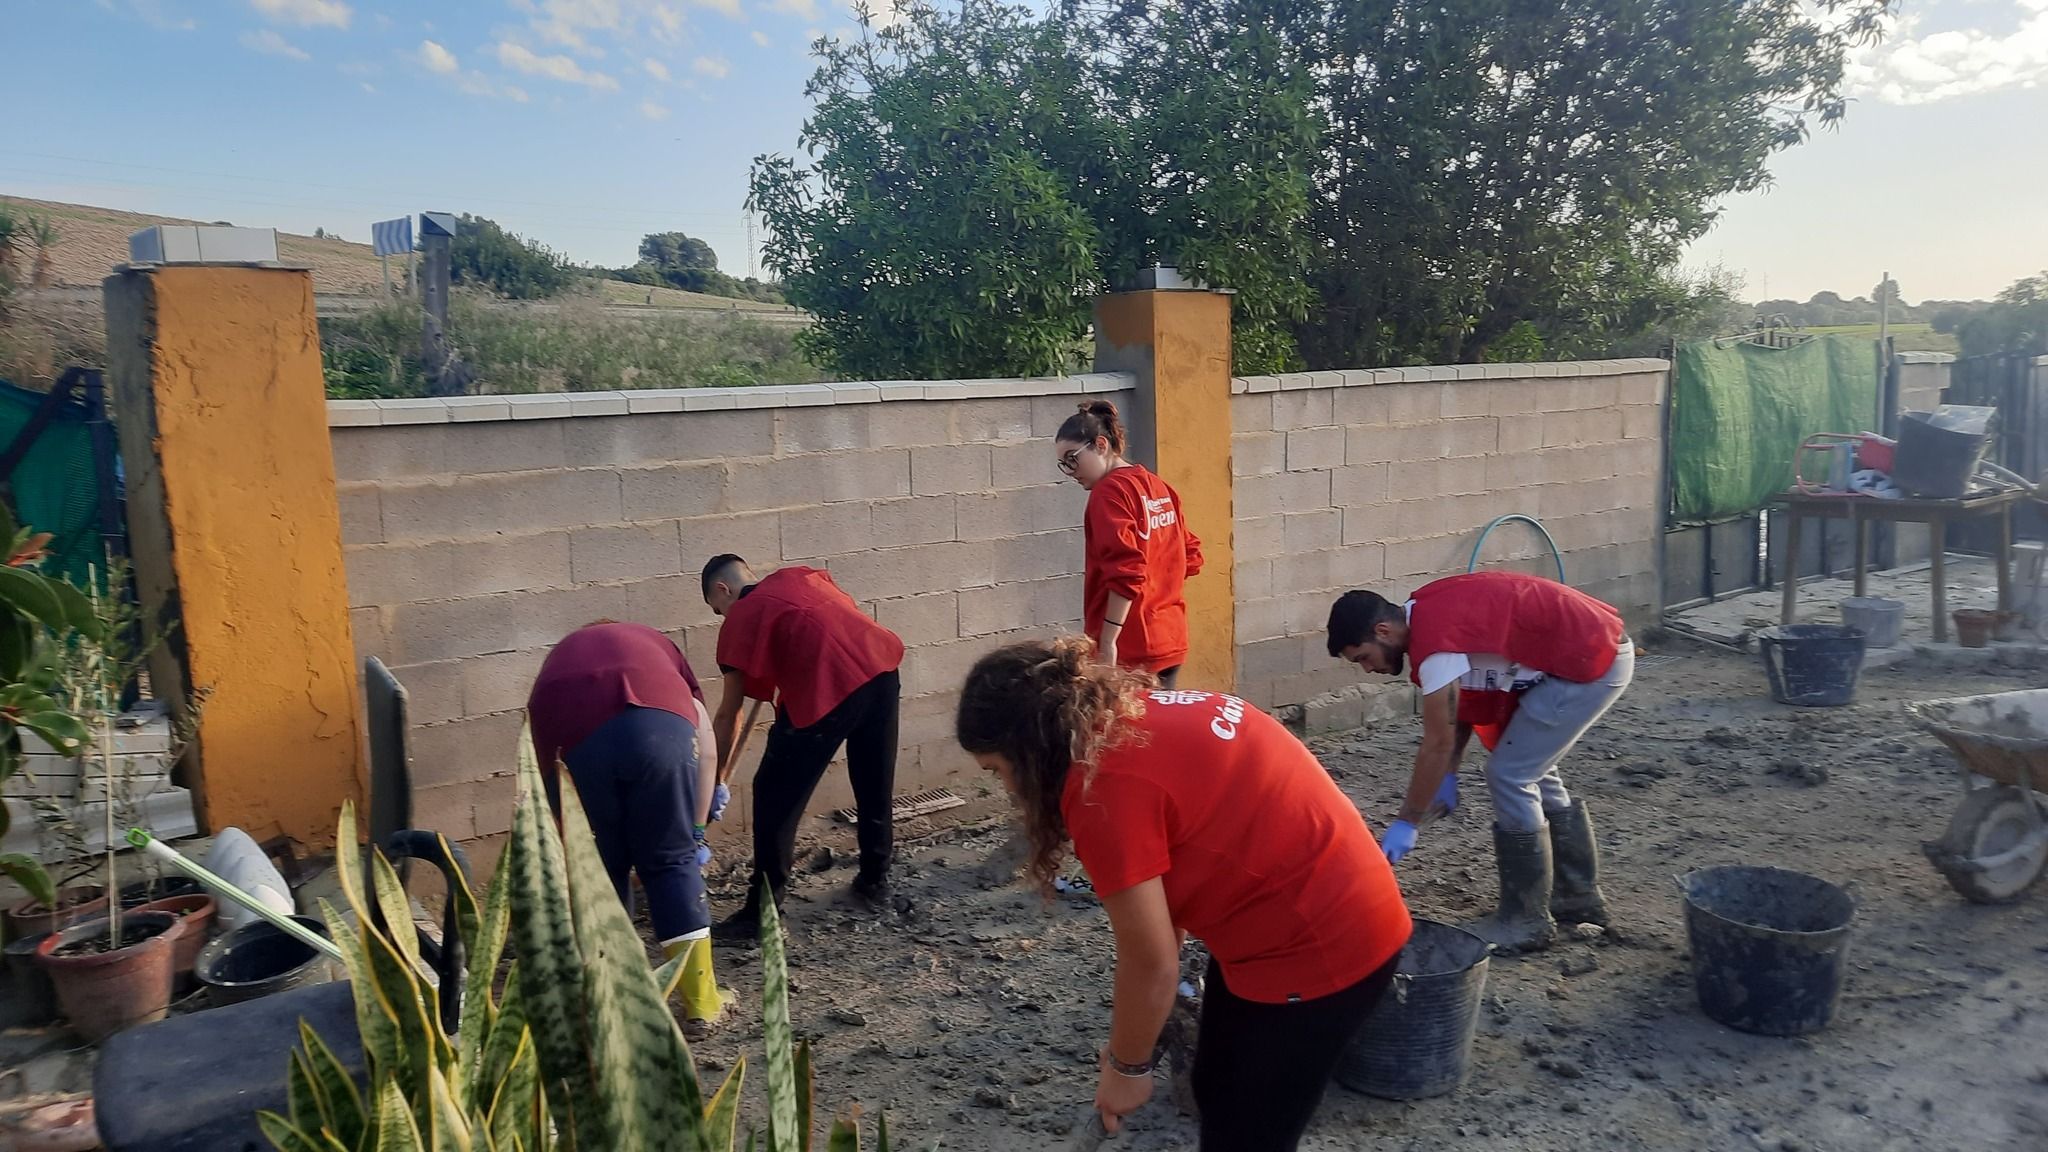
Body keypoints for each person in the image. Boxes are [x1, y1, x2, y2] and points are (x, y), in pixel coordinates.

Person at [956, 638, 1412, 1150]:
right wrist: (1134, 1045)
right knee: (1214, 1085)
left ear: (1029, 748)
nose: (1009, 790)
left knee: (1247, 1138)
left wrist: (1126, 1069)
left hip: (1321, 946)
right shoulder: (1130, 716)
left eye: (998, 771)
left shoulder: (1100, 789)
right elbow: (1163, 918)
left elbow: (1150, 964)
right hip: (1304, 915)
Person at [1325, 569, 1633, 952]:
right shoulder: (1427, 614)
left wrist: (1408, 821)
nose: (1369, 669)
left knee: (1510, 775)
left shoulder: (1434, 646)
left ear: (1383, 631)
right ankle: (1577, 896)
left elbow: (1437, 741)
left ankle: (1526, 922)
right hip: (1587, 650)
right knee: (1530, 768)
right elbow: (1464, 706)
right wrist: (1449, 774)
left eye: (1363, 658)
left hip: (1590, 660)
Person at [525, 620, 735, 1035]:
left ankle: (613, 1006)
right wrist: (694, 832)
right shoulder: (660, 649)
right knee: (671, 862)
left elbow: (543, 773)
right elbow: (707, 751)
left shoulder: (562, 658)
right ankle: (702, 1004)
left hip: (571, 738)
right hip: (660, 730)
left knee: (599, 869)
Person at [701, 553, 905, 939]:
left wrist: (714, 781)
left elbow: (729, 714)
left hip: (830, 688)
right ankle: (874, 881)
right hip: (880, 671)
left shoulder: (741, 617)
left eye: (717, 609)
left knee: (772, 796)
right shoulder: (803, 577)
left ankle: (761, 915)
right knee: (874, 784)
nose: (722, 617)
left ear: (722, 589)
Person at [1055, 400, 1204, 687]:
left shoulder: (1108, 493)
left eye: (1073, 459)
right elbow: (1190, 556)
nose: (1070, 471)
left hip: (1129, 651)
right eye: (1064, 464)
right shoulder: (1157, 485)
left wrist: (1108, 642)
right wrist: (1157, 588)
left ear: (1101, 445)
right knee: (1162, 716)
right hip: (1170, 639)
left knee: (1123, 718)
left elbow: (1125, 571)